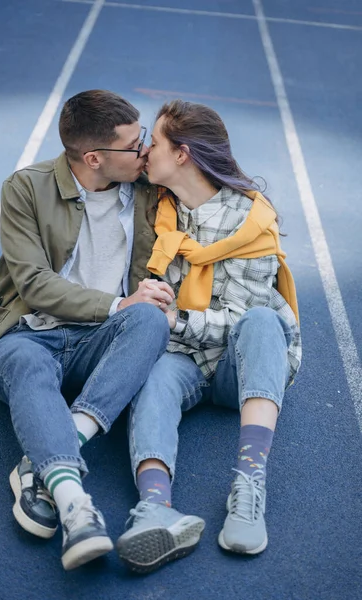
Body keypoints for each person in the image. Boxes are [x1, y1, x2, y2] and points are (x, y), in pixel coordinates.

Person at [0, 90, 175, 570]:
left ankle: (47, 463)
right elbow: (34, 285)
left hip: (101, 344)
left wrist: (148, 302)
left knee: (148, 319)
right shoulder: (25, 188)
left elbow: (206, 169)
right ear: (94, 158)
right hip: (28, 333)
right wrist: (120, 302)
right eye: (133, 143)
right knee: (22, 361)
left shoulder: (148, 190)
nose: (144, 150)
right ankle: (77, 507)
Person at [115, 100, 302, 573]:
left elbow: (239, 317)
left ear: (182, 155)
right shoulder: (159, 206)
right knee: (154, 376)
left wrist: (175, 319)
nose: (143, 151)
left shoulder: (252, 220)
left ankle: (249, 483)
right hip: (184, 358)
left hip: (240, 361)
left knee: (262, 321)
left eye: (153, 142)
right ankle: (155, 506)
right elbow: (93, 161)